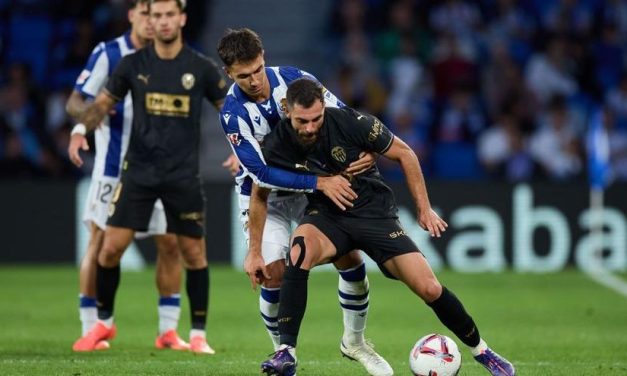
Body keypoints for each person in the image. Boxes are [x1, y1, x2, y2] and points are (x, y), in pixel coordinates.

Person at [250, 78, 516, 376]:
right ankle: (286, 352)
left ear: (323, 108)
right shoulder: (277, 145)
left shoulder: (351, 122)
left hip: (374, 213)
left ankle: (482, 351)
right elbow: (259, 193)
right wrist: (254, 251)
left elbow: (406, 154)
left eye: (316, 119)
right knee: (299, 251)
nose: (311, 127)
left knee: (428, 287)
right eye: (303, 121)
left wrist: (424, 208)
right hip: (327, 216)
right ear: (288, 112)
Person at [217, 28, 393, 376]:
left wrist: (368, 147)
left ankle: (355, 342)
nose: (254, 80)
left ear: (263, 56)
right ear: (228, 74)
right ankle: (283, 355)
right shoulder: (232, 113)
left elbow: (341, 117)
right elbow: (262, 176)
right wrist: (321, 181)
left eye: (257, 69)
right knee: (273, 274)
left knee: (351, 257)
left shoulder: (296, 80)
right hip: (267, 198)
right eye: (243, 75)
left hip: (315, 189)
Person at [68, 0, 227, 354]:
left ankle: (194, 334)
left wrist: (239, 149)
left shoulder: (200, 67)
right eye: (157, 15)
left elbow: (228, 110)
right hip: (137, 173)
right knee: (108, 250)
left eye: (171, 14)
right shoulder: (130, 63)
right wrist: (81, 128)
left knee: (189, 252)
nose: (164, 21)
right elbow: (101, 105)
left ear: (183, 18)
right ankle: (103, 325)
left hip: (182, 176)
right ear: (149, 20)